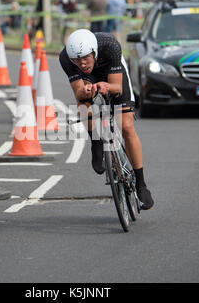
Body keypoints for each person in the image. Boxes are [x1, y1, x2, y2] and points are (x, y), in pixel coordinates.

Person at [59, 29, 154, 210]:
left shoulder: (110, 46)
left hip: (113, 76)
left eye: (86, 57)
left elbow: (117, 88)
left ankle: (141, 185)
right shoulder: (66, 58)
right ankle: (95, 142)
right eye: (77, 60)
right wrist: (85, 91)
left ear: (94, 51)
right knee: (84, 103)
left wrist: (106, 85)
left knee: (126, 126)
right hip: (89, 80)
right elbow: (78, 91)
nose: (82, 63)